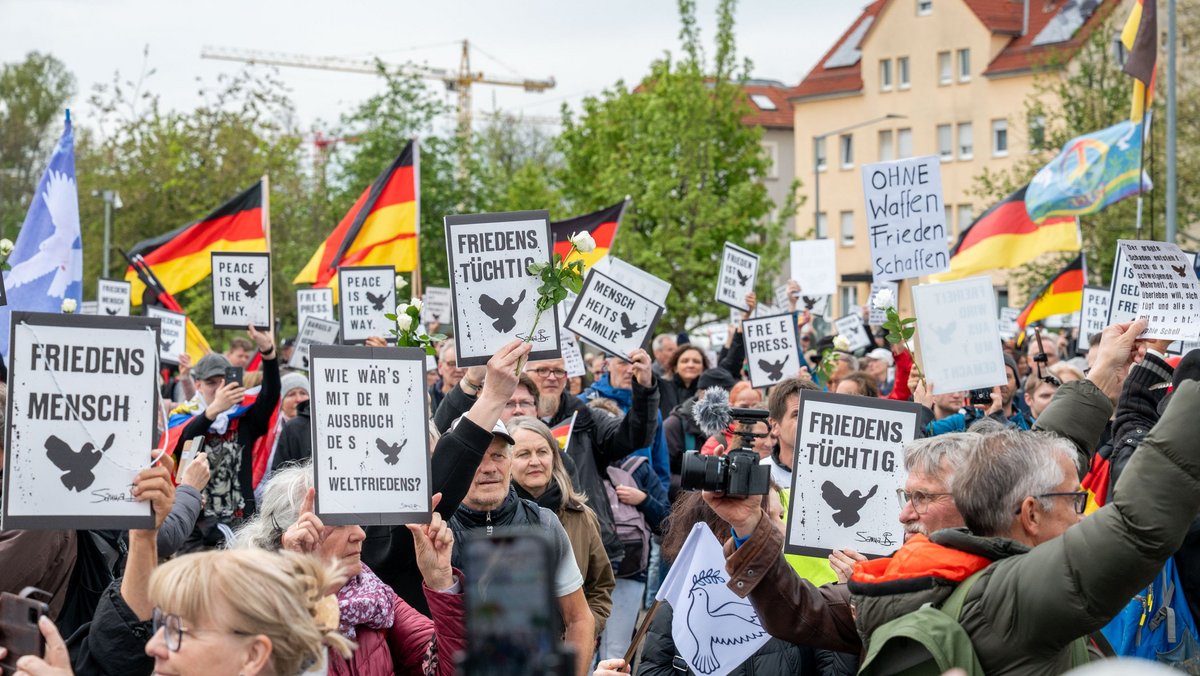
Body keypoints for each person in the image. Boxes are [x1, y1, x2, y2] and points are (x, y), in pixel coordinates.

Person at [710, 319, 1200, 673]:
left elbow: (1040, 461)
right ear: (1026, 510)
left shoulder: (917, 572)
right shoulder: (988, 588)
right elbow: (1135, 526)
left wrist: (1099, 380)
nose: (904, 514)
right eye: (1072, 501)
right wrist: (752, 527)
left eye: (922, 498)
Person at [434, 348, 660, 574]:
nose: (518, 410)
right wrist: (472, 381)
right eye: (542, 370)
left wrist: (645, 389)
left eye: (558, 371)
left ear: (537, 407)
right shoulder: (481, 456)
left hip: (578, 557)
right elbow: (442, 443)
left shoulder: (583, 420)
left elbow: (634, 437)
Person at [238, 462, 465, 675]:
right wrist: (301, 588)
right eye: (339, 523)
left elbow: (453, 668)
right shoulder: (243, 604)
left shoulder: (373, 595)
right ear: (291, 536)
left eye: (357, 519)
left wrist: (440, 580)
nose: (360, 534)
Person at [364, 340, 533, 616]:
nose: (488, 468)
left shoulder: (539, 518)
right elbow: (448, 470)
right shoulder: (381, 533)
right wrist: (491, 396)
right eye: (430, 467)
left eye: (434, 464)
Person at [632, 490, 851, 676]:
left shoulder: (797, 600)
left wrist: (850, 602)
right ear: (724, 529)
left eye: (782, 517)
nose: (783, 532)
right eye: (769, 521)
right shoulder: (678, 606)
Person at [447, 416, 595, 676]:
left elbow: (579, 619)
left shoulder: (544, 523)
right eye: (476, 457)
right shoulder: (434, 530)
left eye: (498, 456)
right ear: (455, 465)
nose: (489, 467)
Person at [170, 325, 280, 549]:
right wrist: (213, 411)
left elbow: (270, 395)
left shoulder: (243, 419)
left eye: (224, 381)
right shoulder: (183, 418)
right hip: (196, 528)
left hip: (241, 524)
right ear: (198, 385)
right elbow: (185, 444)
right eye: (212, 383)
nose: (219, 389)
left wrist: (268, 352)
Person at [507, 416, 615, 636]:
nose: (535, 461)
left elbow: (600, 585)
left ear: (554, 459)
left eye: (542, 452)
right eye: (523, 454)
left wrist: (584, 630)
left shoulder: (581, 516)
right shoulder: (494, 516)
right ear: (506, 462)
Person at [583, 353, 670, 493]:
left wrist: (658, 501)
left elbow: (661, 465)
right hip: (599, 498)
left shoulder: (650, 409)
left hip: (645, 500)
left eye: (636, 363)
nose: (630, 370)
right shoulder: (584, 404)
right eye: (623, 363)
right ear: (607, 365)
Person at [428, 340, 465, 413]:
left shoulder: (480, 400)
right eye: (451, 364)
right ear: (440, 367)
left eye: (463, 364)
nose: (459, 369)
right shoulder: (427, 399)